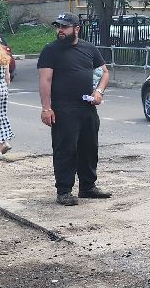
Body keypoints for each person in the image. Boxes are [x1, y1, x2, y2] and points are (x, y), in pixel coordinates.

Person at [37, 14, 111, 206]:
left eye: (65, 27)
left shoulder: (89, 48)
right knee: (66, 150)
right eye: (58, 26)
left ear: (76, 29)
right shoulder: (50, 51)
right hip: (63, 109)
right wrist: (46, 108)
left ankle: (88, 187)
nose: (60, 30)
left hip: (87, 108)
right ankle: (64, 191)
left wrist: (99, 91)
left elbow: (104, 72)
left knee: (89, 148)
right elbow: (45, 80)